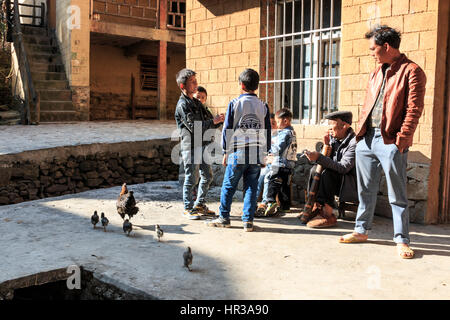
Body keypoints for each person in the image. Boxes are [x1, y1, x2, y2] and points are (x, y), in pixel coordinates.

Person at [338, 26, 426, 259]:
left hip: (391, 141)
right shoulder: (376, 71)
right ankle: (361, 230)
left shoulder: (412, 71)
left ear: (386, 47)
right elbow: (369, 104)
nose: (371, 53)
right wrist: (359, 132)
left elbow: (414, 109)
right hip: (366, 138)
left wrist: (402, 140)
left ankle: (401, 240)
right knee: (365, 189)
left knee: (397, 193)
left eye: (373, 48)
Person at [205, 68, 271, 232]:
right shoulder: (263, 105)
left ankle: (224, 217)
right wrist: (264, 154)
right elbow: (267, 132)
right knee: (251, 187)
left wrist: (226, 152)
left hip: (237, 152)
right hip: (256, 151)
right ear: (257, 86)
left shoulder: (235, 103)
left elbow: (227, 129)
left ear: (241, 84)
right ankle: (248, 221)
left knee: (229, 186)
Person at [175, 68, 224, 220]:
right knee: (191, 178)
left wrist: (219, 120)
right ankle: (188, 207)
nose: (196, 84)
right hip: (190, 146)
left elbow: (208, 121)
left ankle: (199, 204)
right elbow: (194, 126)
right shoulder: (182, 105)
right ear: (183, 86)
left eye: (196, 81)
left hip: (202, 145)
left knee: (208, 176)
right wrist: (213, 121)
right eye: (192, 82)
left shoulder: (197, 102)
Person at [299, 111, 357, 228]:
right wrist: (325, 146)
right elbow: (325, 161)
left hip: (350, 183)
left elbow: (344, 168)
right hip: (337, 179)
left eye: (332, 123)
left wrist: (319, 157)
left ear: (344, 126)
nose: (329, 127)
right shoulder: (334, 138)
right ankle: (316, 206)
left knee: (327, 173)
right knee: (314, 169)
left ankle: (328, 214)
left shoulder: (354, 142)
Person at [263, 108, 297, 216]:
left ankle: (270, 201)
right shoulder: (293, 132)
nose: (277, 125)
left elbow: (278, 148)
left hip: (280, 163)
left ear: (285, 121)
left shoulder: (284, 133)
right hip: (289, 165)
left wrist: (269, 151)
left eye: (278, 122)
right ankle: (285, 206)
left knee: (271, 179)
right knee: (284, 185)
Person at [255, 113, 278, 216]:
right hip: (265, 163)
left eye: (273, 123)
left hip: (274, 164)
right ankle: (253, 202)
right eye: (269, 124)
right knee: (258, 176)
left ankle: (264, 203)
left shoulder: (280, 136)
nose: (271, 126)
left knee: (266, 178)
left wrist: (272, 159)